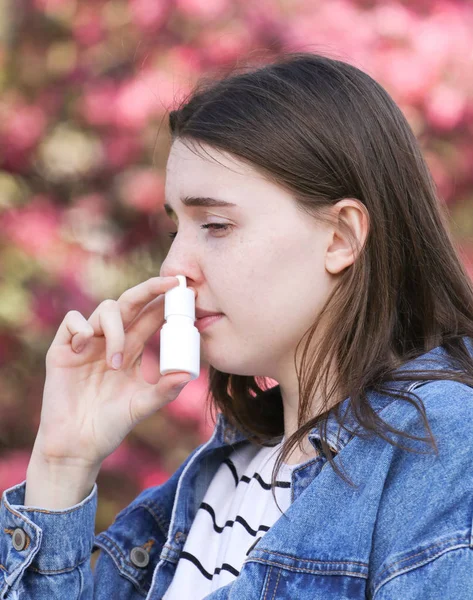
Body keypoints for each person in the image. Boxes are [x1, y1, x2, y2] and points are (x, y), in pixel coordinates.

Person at [1, 50, 473, 600]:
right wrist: (64, 462)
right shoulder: (210, 484)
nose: (173, 266)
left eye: (217, 225)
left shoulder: (441, 442)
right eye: (176, 227)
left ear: (341, 237)